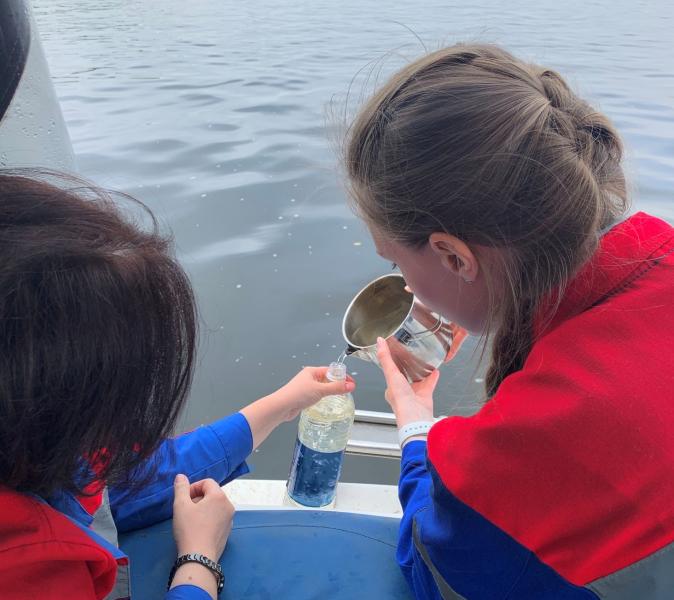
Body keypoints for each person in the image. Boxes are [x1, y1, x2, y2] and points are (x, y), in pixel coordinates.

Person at [343, 43, 674, 599]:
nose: (404, 284)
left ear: (454, 257)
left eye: (397, 263)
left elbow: (435, 563)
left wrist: (416, 424)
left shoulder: (546, 432)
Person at [0, 170, 355, 600]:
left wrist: (282, 405)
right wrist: (198, 561)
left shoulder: (32, 453)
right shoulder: (27, 568)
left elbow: (116, 481)